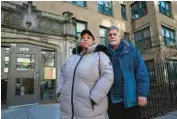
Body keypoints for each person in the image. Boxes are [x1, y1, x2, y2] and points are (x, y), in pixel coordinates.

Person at [56, 29, 114, 119]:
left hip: (90, 108)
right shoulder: (73, 57)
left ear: (93, 40)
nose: (85, 39)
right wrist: (60, 91)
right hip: (68, 109)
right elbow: (62, 74)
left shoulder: (100, 55)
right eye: (83, 38)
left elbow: (108, 76)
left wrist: (95, 97)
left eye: (88, 37)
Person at [107, 25, 150, 119]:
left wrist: (142, 94)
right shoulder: (106, 54)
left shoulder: (131, 51)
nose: (112, 36)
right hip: (113, 101)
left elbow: (141, 73)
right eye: (110, 35)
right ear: (108, 38)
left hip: (130, 99)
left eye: (115, 34)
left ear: (119, 37)